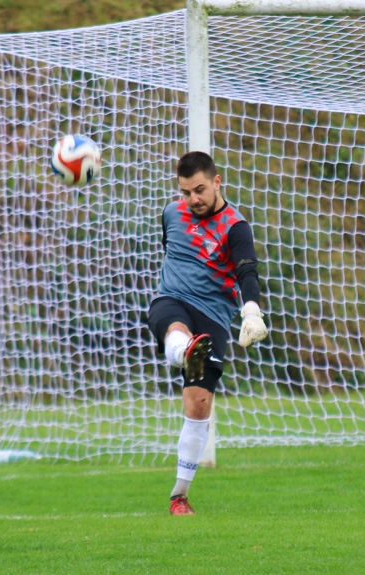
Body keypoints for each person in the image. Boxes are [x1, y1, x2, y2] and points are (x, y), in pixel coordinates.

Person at [148, 151, 268, 516]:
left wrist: (250, 310)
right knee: (174, 326)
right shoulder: (171, 214)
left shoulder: (236, 227)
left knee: (199, 404)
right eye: (186, 192)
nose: (193, 199)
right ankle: (183, 350)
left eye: (199, 189)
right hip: (171, 300)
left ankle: (179, 495)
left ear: (217, 182)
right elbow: (172, 250)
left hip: (213, 316)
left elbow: (247, 271)